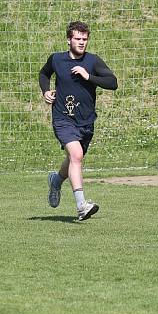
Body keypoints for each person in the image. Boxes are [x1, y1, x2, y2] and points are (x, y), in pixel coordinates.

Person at [39, 21, 118, 221]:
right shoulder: (56, 59)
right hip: (63, 118)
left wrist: (88, 76)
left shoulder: (93, 61)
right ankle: (82, 205)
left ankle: (56, 181)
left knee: (74, 158)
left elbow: (112, 82)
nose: (81, 42)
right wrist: (46, 91)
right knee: (76, 155)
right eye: (77, 39)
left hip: (86, 121)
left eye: (84, 39)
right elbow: (44, 73)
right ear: (69, 40)